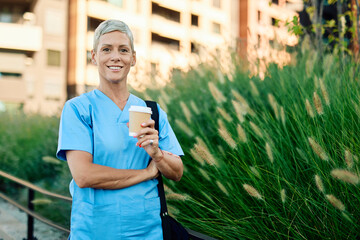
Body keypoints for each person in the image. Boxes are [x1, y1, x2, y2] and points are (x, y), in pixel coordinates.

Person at [56, 19, 184, 239]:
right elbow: (84, 176)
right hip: (94, 231)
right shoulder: (79, 109)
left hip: (148, 231)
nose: (115, 56)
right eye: (106, 49)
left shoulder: (150, 110)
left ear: (133, 59)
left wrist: (158, 155)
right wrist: (146, 173)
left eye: (123, 50)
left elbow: (177, 172)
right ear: (94, 56)